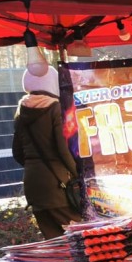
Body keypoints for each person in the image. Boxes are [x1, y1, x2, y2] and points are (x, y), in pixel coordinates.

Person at [12, 66, 80, 239]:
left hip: (33, 186)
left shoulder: (21, 111)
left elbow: (17, 152)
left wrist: (35, 165)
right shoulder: (56, 108)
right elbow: (63, 150)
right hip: (57, 188)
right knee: (78, 239)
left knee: (54, 243)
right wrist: (78, 173)